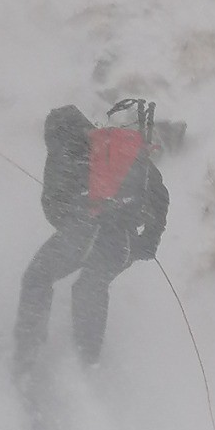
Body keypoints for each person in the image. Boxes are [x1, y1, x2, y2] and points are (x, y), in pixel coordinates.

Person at [13, 100, 169, 378]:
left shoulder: (63, 150)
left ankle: (27, 354)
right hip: (122, 244)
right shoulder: (113, 148)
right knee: (90, 287)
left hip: (85, 234)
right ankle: (88, 363)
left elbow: (53, 208)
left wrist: (78, 220)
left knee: (38, 276)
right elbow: (158, 191)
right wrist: (149, 239)